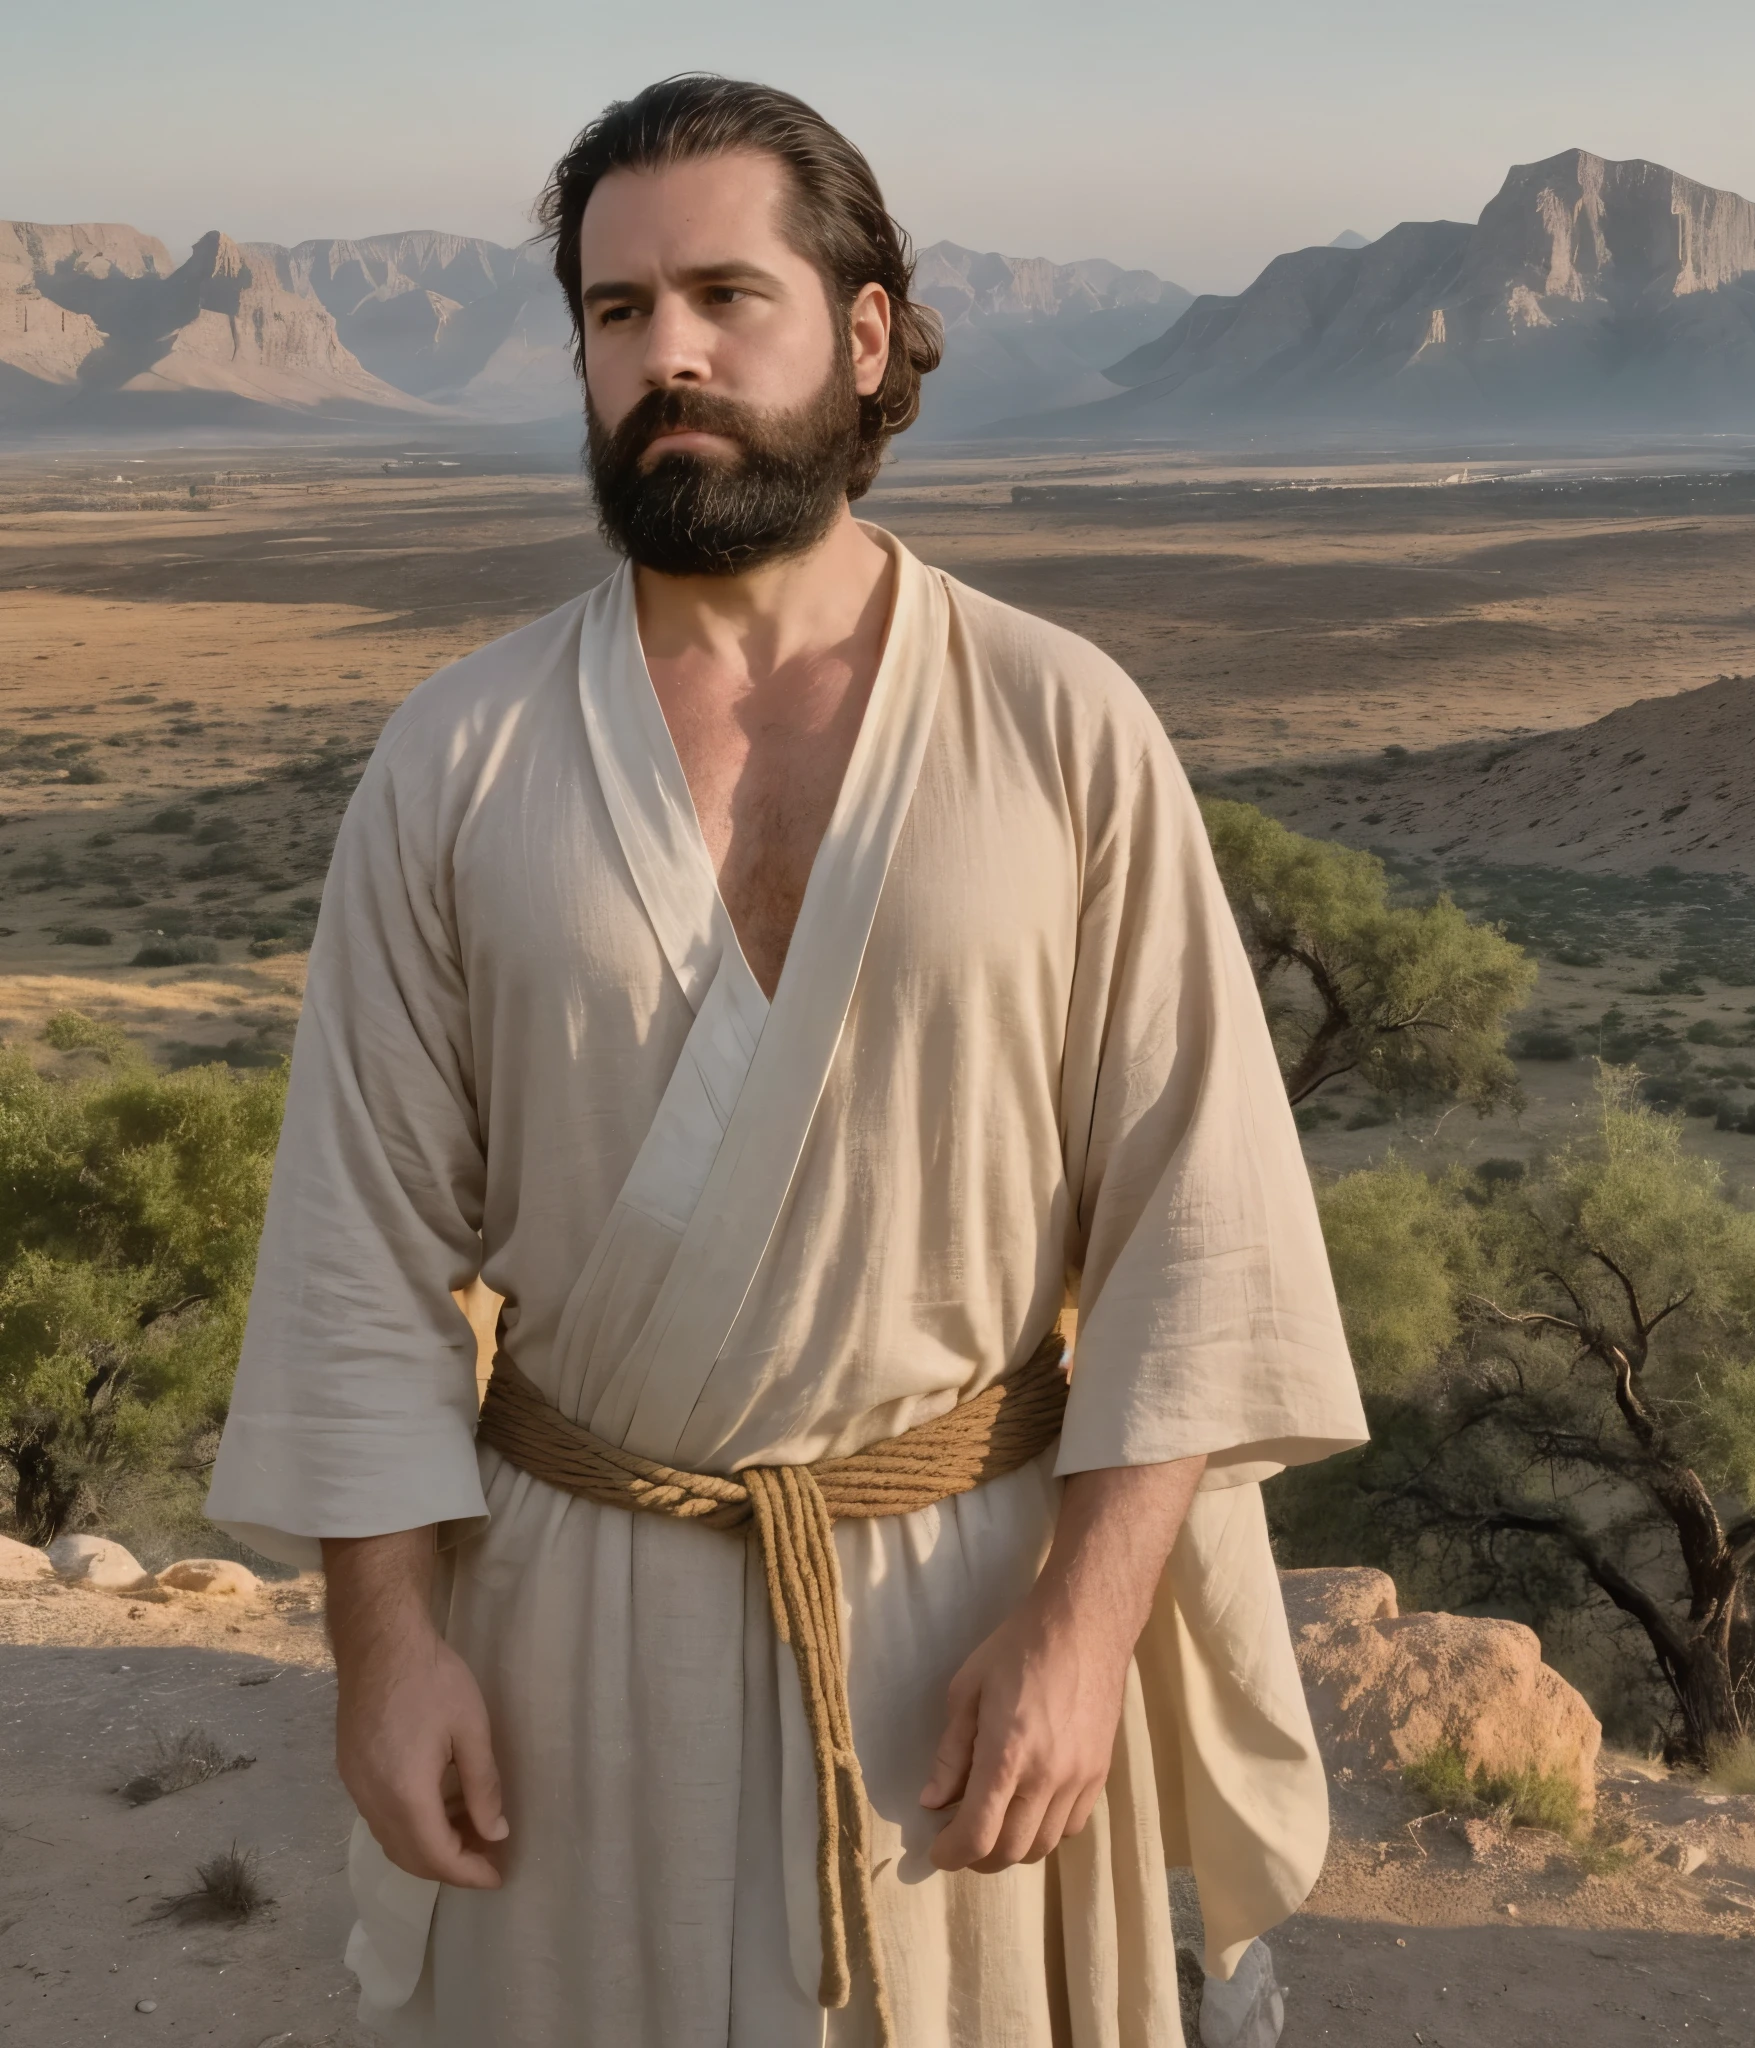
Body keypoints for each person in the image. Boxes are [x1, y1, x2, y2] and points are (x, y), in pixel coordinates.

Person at [207, 73, 1367, 2048]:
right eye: (612, 309)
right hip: (577, 1624)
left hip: (962, 1624)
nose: (665, 350)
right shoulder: (458, 756)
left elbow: (1199, 1218)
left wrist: (1085, 1634)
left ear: (856, 328)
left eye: (723, 295)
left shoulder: (1059, 724)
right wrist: (386, 1649)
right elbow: (358, 1249)